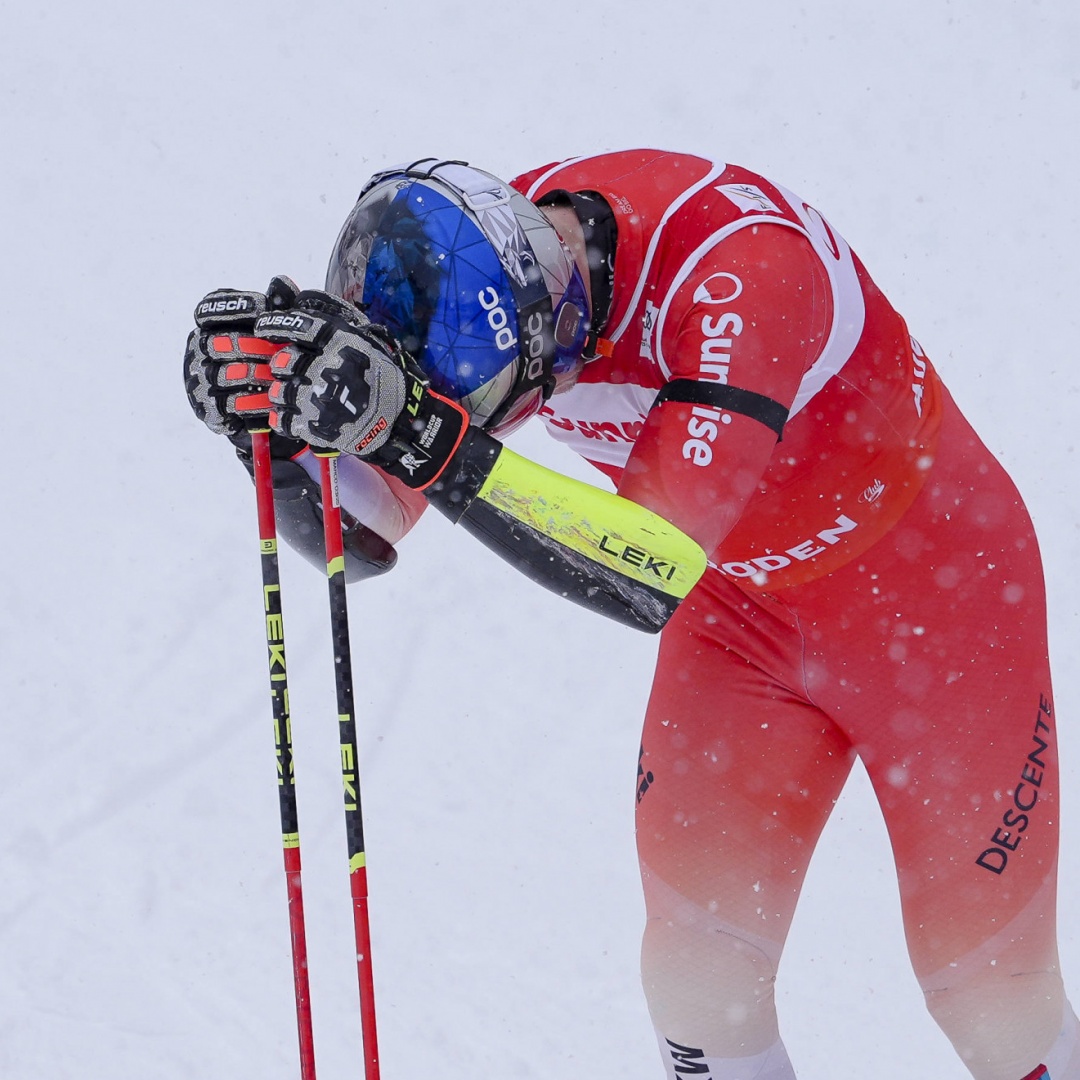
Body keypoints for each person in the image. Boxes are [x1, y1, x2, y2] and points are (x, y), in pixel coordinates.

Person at [184, 150, 1077, 1080]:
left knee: (989, 997)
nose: (497, 414)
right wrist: (271, 428)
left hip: (940, 608)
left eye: (501, 400)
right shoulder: (479, 270)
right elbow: (364, 531)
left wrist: (421, 433)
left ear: (551, 317)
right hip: (741, 620)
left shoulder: (743, 269)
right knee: (698, 984)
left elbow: (646, 573)